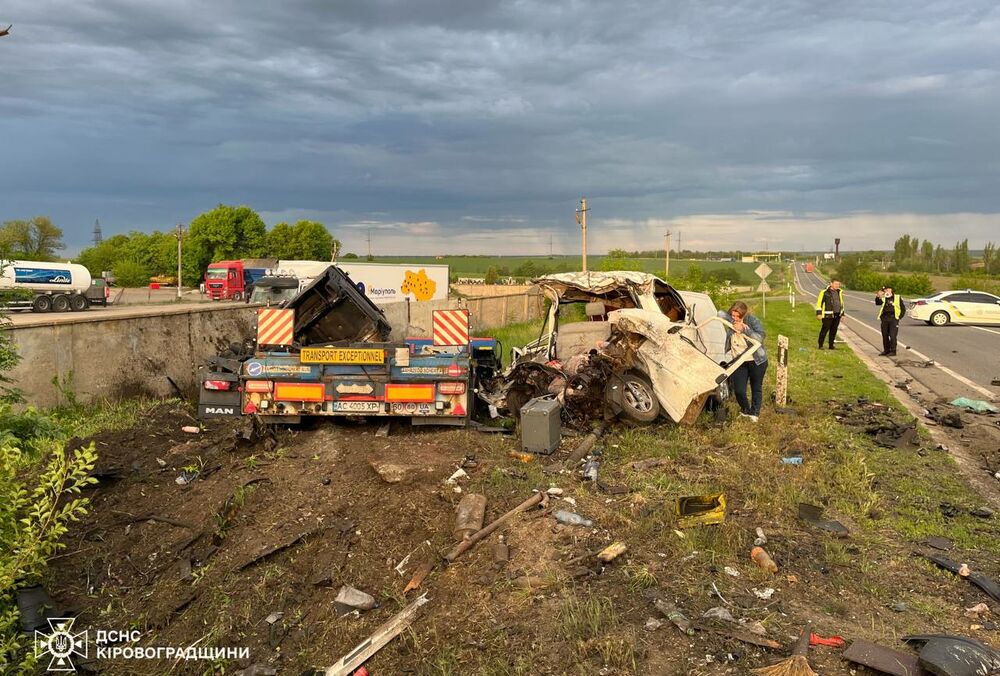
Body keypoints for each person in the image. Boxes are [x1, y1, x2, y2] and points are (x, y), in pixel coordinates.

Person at [719, 301, 768, 422]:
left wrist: (745, 330)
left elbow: (760, 337)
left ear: (744, 314)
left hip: (756, 360)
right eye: (733, 315)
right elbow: (719, 313)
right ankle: (746, 410)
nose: (735, 318)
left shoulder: (752, 320)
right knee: (739, 390)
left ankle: (754, 413)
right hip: (740, 361)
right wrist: (732, 319)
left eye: (738, 316)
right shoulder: (731, 320)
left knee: (756, 387)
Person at [815, 278, 845, 349]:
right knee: (824, 330)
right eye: (835, 284)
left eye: (838, 284)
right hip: (827, 315)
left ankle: (831, 345)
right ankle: (820, 345)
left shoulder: (839, 292)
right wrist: (818, 313)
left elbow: (841, 303)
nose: (837, 285)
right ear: (831, 284)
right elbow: (819, 303)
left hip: (837, 314)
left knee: (834, 330)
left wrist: (842, 314)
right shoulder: (824, 292)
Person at [875, 286, 905, 356]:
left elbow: (903, 308)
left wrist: (899, 317)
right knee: (885, 335)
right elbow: (877, 303)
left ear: (891, 290)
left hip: (893, 318)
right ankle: (886, 350)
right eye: (885, 290)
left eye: (888, 289)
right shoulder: (883, 297)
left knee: (892, 335)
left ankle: (893, 351)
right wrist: (878, 296)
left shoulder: (897, 297)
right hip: (885, 318)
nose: (886, 290)